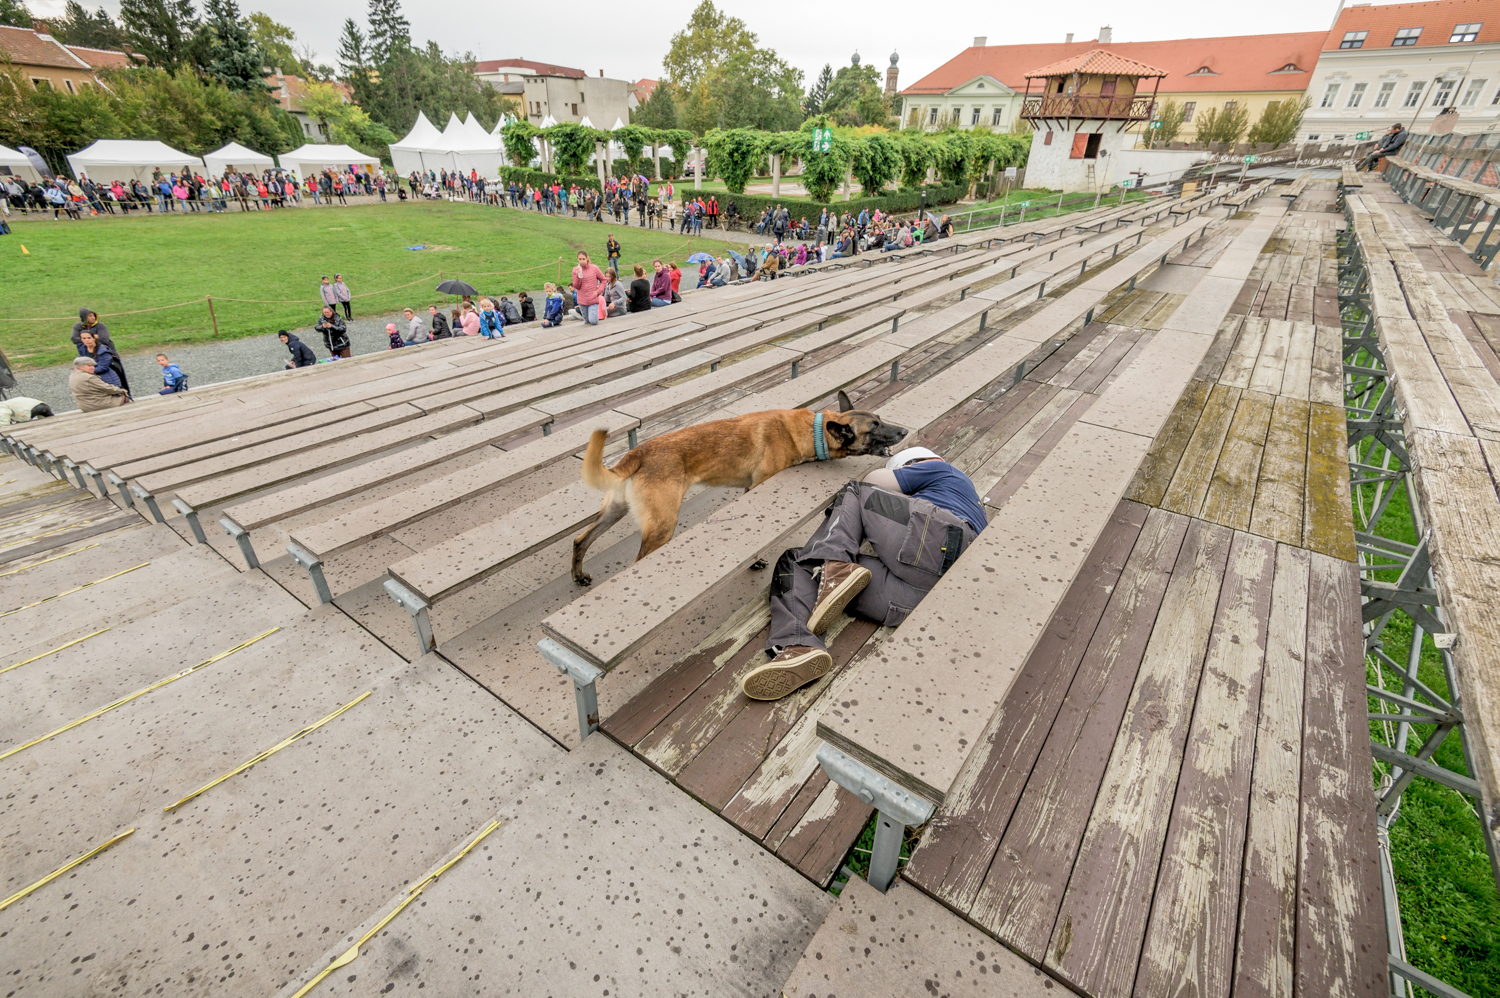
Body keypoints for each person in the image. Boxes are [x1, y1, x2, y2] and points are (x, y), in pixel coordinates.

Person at [739, 446, 985, 700]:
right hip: (928, 600)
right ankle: (799, 646)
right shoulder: (968, 502)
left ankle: (836, 567)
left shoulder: (942, 469)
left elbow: (873, 482)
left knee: (856, 491)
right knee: (799, 561)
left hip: (947, 544)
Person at [571, 251, 607, 325]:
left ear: (587, 258)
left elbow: (604, 280)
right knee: (586, 322)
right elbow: (576, 286)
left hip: (593, 298)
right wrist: (578, 276)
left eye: (583, 259)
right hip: (582, 299)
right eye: (580, 259)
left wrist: (598, 291)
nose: (582, 261)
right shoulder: (575, 270)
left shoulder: (594, 268)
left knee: (593, 320)